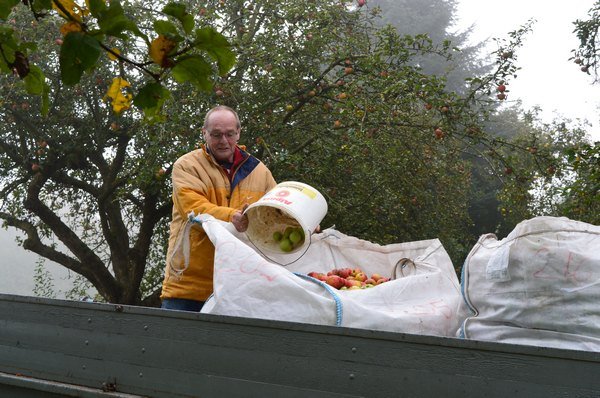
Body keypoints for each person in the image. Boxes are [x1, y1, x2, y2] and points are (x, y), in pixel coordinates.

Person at [160, 105, 277, 312]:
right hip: (189, 289)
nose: (224, 141)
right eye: (216, 134)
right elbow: (193, 210)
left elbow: (276, 209)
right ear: (204, 133)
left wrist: (302, 220)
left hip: (240, 289)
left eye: (230, 134)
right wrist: (232, 216)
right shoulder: (187, 166)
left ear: (238, 133)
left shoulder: (260, 171)